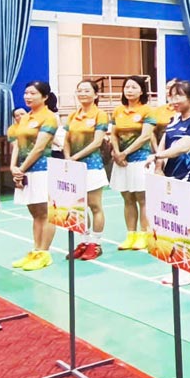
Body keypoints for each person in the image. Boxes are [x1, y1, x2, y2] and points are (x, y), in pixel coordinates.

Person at [148, 81, 190, 285]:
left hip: (189, 179)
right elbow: (165, 144)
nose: (173, 101)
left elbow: (184, 147)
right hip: (171, 180)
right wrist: (158, 166)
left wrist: (159, 153)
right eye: (171, 96)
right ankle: (182, 265)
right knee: (176, 226)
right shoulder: (173, 121)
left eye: (178, 96)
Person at [9, 82, 58, 272]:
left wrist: (20, 168)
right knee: (35, 213)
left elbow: (39, 148)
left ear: (45, 97)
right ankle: (36, 249)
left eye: (33, 93)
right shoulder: (24, 118)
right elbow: (18, 145)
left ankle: (45, 254)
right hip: (24, 169)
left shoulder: (49, 117)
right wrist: (14, 167)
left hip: (42, 170)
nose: (28, 96)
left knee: (45, 213)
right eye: (26, 93)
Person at [63, 80, 109, 261]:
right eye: (79, 90)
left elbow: (97, 142)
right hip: (73, 167)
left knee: (94, 205)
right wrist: (68, 157)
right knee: (79, 208)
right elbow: (66, 139)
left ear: (95, 95)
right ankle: (83, 241)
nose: (82, 93)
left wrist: (75, 158)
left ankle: (95, 244)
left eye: (87, 90)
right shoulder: (72, 115)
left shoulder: (100, 114)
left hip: (92, 166)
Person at [110, 76, 156, 251]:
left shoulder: (147, 111)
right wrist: (117, 153)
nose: (129, 90)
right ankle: (131, 235)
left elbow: (145, 136)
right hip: (121, 162)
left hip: (140, 160)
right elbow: (113, 133)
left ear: (142, 91)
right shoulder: (118, 111)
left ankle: (145, 235)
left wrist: (125, 153)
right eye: (127, 87)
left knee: (142, 199)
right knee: (127, 198)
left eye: (133, 87)